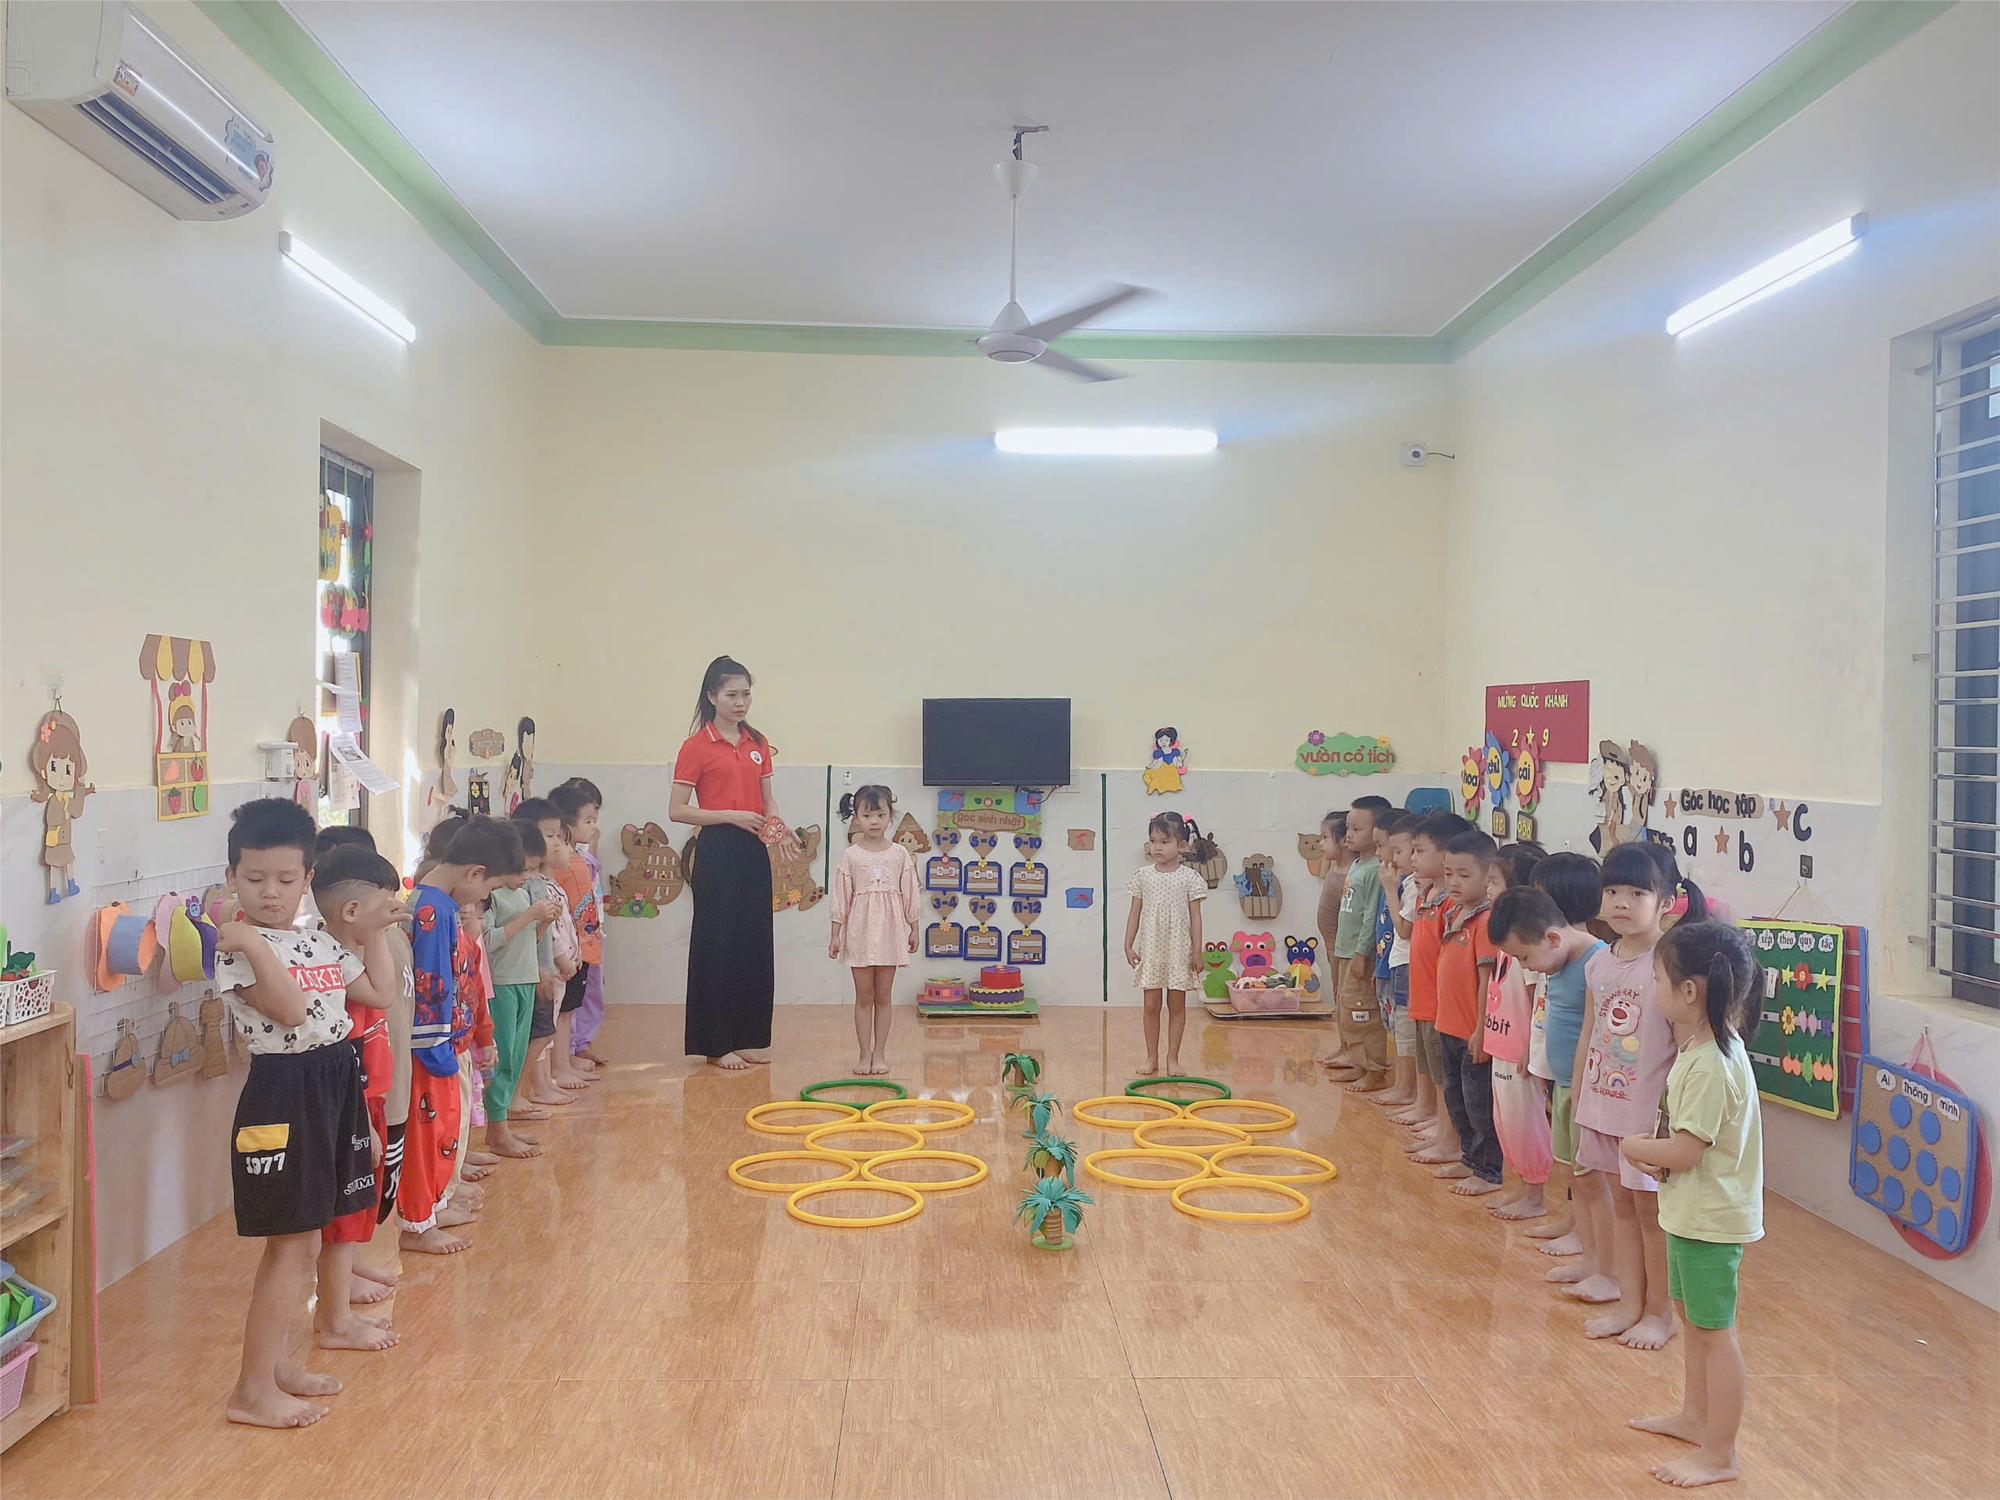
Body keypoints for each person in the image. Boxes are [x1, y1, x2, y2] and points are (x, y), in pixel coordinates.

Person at [215, 800, 391, 1428]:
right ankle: (250, 1390)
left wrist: (375, 929)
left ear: (308, 878)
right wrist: (249, 939)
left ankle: (276, 1366)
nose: (271, 892)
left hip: (335, 1079)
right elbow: (289, 1012)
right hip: (282, 1094)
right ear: (232, 876)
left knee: (312, 1235)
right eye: (254, 878)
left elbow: (379, 993)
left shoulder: (316, 939)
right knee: (288, 1245)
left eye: (286, 879)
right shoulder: (237, 950)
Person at [1622, 921, 1764, 1489]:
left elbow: (1685, 1151)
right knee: (1693, 1320)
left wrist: (1634, 1148)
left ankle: (1720, 1453)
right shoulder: (1703, 1048)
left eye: (1658, 979)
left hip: (1710, 1221)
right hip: (1689, 1213)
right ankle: (1695, 1418)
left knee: (1713, 1333)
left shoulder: (1711, 1065)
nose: (1653, 988)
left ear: (1688, 991)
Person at [1577, 841, 1709, 1348]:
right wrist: (1579, 1096)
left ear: (1667, 902)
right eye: (1612, 890)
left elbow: (1685, 1047)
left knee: (1652, 1217)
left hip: (1647, 1118)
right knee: (1622, 1209)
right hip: (1602, 1109)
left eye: (1637, 893)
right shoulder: (1598, 961)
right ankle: (1629, 1304)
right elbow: (1591, 1032)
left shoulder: (1669, 966)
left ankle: (1659, 1314)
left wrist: (1674, 1121)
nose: (1621, 903)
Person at [669, 655, 801, 1069]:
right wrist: (730, 816)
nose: (741, 702)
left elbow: (767, 800)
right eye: (731, 695)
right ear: (712, 696)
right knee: (716, 943)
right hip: (716, 848)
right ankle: (714, 1044)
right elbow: (677, 809)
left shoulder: (757, 742)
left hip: (753, 848)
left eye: (746, 694)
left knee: (753, 942)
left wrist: (777, 824)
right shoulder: (695, 746)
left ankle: (746, 1037)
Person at [1491, 854, 1607, 1286]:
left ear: (1553, 936)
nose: (1524, 966)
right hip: (1563, 1085)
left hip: (1585, 1091)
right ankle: (1589, 1253)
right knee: (1575, 1173)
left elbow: (1596, 1034)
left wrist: (1579, 1086)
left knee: (1593, 1181)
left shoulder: (1594, 962)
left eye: (1524, 957)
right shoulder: (1557, 958)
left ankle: (1600, 1261)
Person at [397, 817, 508, 1255]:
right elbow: (431, 984)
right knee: (427, 1143)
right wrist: (436, 1048)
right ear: (474, 873)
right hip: (432, 1051)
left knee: (444, 1136)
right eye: (488, 888)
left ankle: (432, 1211)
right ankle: (418, 1226)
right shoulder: (434, 910)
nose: (481, 899)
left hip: (445, 1045)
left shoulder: (437, 904)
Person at [828, 785, 921, 1076]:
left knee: (883, 995)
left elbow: (910, 892)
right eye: (867, 815)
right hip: (859, 933)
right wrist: (835, 934)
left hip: (891, 933)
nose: (874, 821)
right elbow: (840, 896)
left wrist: (914, 927)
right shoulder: (851, 856)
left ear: (890, 815)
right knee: (864, 995)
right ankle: (864, 1053)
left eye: (880, 814)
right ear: (856, 817)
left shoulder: (900, 854)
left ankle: (880, 1053)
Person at [482, 820, 561, 1157]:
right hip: (502, 982)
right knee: (502, 1056)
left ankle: (501, 1125)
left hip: (525, 978)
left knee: (515, 1056)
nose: (528, 876)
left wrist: (542, 922)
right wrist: (529, 916)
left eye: (533, 869)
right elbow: (488, 941)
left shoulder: (522, 892)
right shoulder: (492, 896)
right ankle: (497, 1128)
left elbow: (530, 940)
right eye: (524, 869)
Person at [1483, 842, 1552, 1221]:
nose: (1488, 888)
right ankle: (1523, 1187)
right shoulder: (1505, 938)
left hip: (1520, 1049)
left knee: (1525, 1122)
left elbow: (1534, 1000)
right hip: (1501, 1041)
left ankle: (1535, 1193)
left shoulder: (1527, 947)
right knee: (1506, 1120)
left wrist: (1530, 1048)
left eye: (1494, 882)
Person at [1433, 828, 1502, 1195]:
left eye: (1464, 874)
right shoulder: (1454, 912)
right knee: (1456, 1100)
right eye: (1449, 873)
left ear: (1487, 877)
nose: (1454, 882)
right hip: (1448, 1026)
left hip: (1471, 1030)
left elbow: (1487, 980)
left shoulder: (1486, 921)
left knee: (1479, 1106)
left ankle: (1488, 1170)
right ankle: (1468, 1158)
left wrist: (1480, 1028)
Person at [1403, 813, 1470, 1165]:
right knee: (1432, 1065)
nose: (1413, 858)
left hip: (1439, 1003)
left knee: (1447, 1078)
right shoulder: (1425, 893)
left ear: (1444, 856)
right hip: (1422, 996)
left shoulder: (1450, 902)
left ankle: (1448, 1135)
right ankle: (1439, 1124)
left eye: (1419, 850)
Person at [1123, 812, 1208, 1076]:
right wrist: (1128, 944)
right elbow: (1134, 912)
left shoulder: (1190, 878)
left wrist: (1197, 951)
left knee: (1177, 1005)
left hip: (1178, 951)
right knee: (1150, 1005)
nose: (1157, 847)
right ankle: (1151, 1056)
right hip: (1151, 950)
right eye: (1153, 841)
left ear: (1181, 846)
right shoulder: (1142, 876)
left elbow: (1196, 917)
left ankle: (1173, 1058)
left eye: (1164, 841)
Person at [512, 798, 581, 1113]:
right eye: (549, 835)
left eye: (558, 836)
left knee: (546, 1029)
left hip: (547, 968)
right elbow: (545, 929)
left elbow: (562, 925)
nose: (555, 843)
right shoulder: (529, 885)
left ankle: (544, 1083)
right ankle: (537, 1086)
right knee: (538, 1031)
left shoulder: (545, 882)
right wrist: (560, 958)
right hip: (537, 968)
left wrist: (571, 954)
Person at [1323, 796, 1389, 1091]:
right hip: (1344, 950)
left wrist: (1362, 953)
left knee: (1363, 1012)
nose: (1348, 834)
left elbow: (1371, 915)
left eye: (1356, 829)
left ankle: (1375, 1069)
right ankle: (1357, 1061)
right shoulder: (1359, 864)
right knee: (1347, 1009)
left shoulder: (1375, 869)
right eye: (1348, 828)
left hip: (1358, 954)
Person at [546, 782, 603, 1089]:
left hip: (583, 947)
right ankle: (559, 1066)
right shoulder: (560, 864)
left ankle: (565, 1061)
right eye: (588, 821)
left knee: (570, 1009)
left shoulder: (578, 858)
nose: (594, 828)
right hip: (568, 949)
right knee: (562, 1010)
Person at [1367, 810, 1418, 1109]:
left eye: (1398, 850)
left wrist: (1389, 889)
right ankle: (1403, 1086)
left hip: (1406, 965)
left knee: (1405, 1032)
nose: (1390, 856)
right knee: (1398, 1030)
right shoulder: (1403, 882)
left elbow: (1403, 929)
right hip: (1392, 963)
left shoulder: (1408, 885)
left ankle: (1407, 1089)